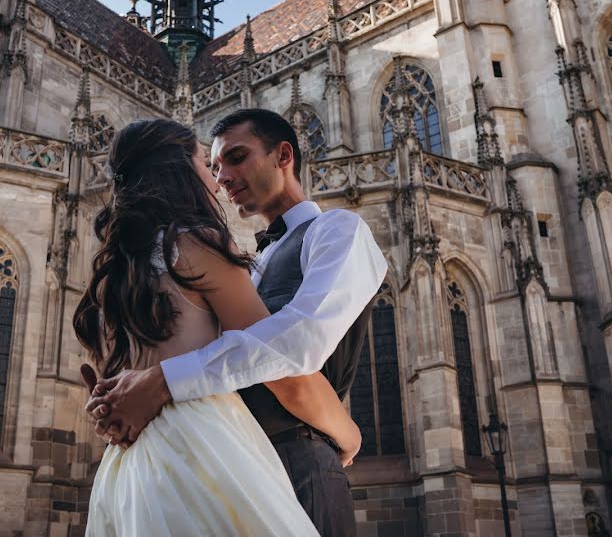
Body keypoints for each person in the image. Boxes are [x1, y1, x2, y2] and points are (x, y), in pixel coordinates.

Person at [84, 109, 388, 537]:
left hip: (297, 452)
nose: (222, 175)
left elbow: (297, 346)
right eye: (213, 166)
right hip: (217, 453)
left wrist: (161, 382)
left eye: (237, 157)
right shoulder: (233, 258)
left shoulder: (337, 230)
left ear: (284, 155)